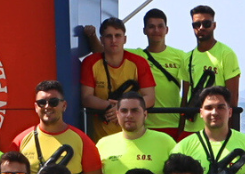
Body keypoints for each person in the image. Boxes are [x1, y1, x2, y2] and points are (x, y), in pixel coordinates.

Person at [11, 80, 103, 174]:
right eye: (42, 103)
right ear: (36, 107)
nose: (47, 106)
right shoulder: (20, 141)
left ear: (64, 105)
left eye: (53, 102)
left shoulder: (82, 141)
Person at [172, 86, 245, 174]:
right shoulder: (183, 148)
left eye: (220, 107)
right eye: (209, 107)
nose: (214, 112)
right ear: (201, 113)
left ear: (230, 111)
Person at [97, 92, 176, 174]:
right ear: (117, 114)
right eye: (124, 111)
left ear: (145, 114)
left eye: (135, 111)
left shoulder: (166, 142)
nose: (129, 115)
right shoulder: (103, 144)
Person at [81, 18, 156, 143]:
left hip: (134, 138)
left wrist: (121, 108)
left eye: (118, 36)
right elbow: (86, 98)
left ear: (125, 39)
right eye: (109, 36)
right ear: (102, 40)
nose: (113, 40)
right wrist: (110, 107)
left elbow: (150, 98)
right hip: (101, 139)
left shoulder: (139, 63)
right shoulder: (90, 62)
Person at [180, 5, 240, 133]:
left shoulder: (226, 54)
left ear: (214, 25)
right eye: (196, 24)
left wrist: (230, 132)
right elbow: (185, 97)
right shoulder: (187, 57)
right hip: (191, 128)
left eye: (206, 23)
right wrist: (180, 130)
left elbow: (233, 97)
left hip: (218, 129)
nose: (201, 28)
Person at [127, 9, 186, 140]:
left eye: (160, 26)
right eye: (151, 26)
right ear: (144, 30)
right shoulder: (137, 56)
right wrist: (91, 36)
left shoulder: (181, 56)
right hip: (144, 125)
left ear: (167, 29)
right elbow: (108, 52)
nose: (156, 30)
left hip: (173, 123)